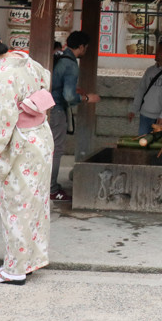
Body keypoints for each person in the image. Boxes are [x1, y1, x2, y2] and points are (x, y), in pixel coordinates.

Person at [0, 26, 54, 285]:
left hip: (20, 145)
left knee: (16, 206)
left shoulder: (2, 77)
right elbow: (46, 80)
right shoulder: (26, 61)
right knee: (36, 203)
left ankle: (15, 269)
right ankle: (31, 260)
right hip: (41, 137)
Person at [48, 30, 100, 201]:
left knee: (47, 149)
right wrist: (87, 98)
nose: (86, 51)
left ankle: (46, 185)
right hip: (56, 110)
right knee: (55, 151)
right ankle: (52, 189)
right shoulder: (70, 64)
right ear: (82, 46)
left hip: (45, 107)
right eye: (86, 48)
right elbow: (69, 96)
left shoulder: (59, 55)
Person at [128, 39, 162, 140]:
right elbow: (141, 91)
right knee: (143, 144)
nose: (156, 53)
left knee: (160, 148)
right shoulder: (150, 70)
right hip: (145, 115)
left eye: (159, 51)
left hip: (160, 118)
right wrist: (134, 109)